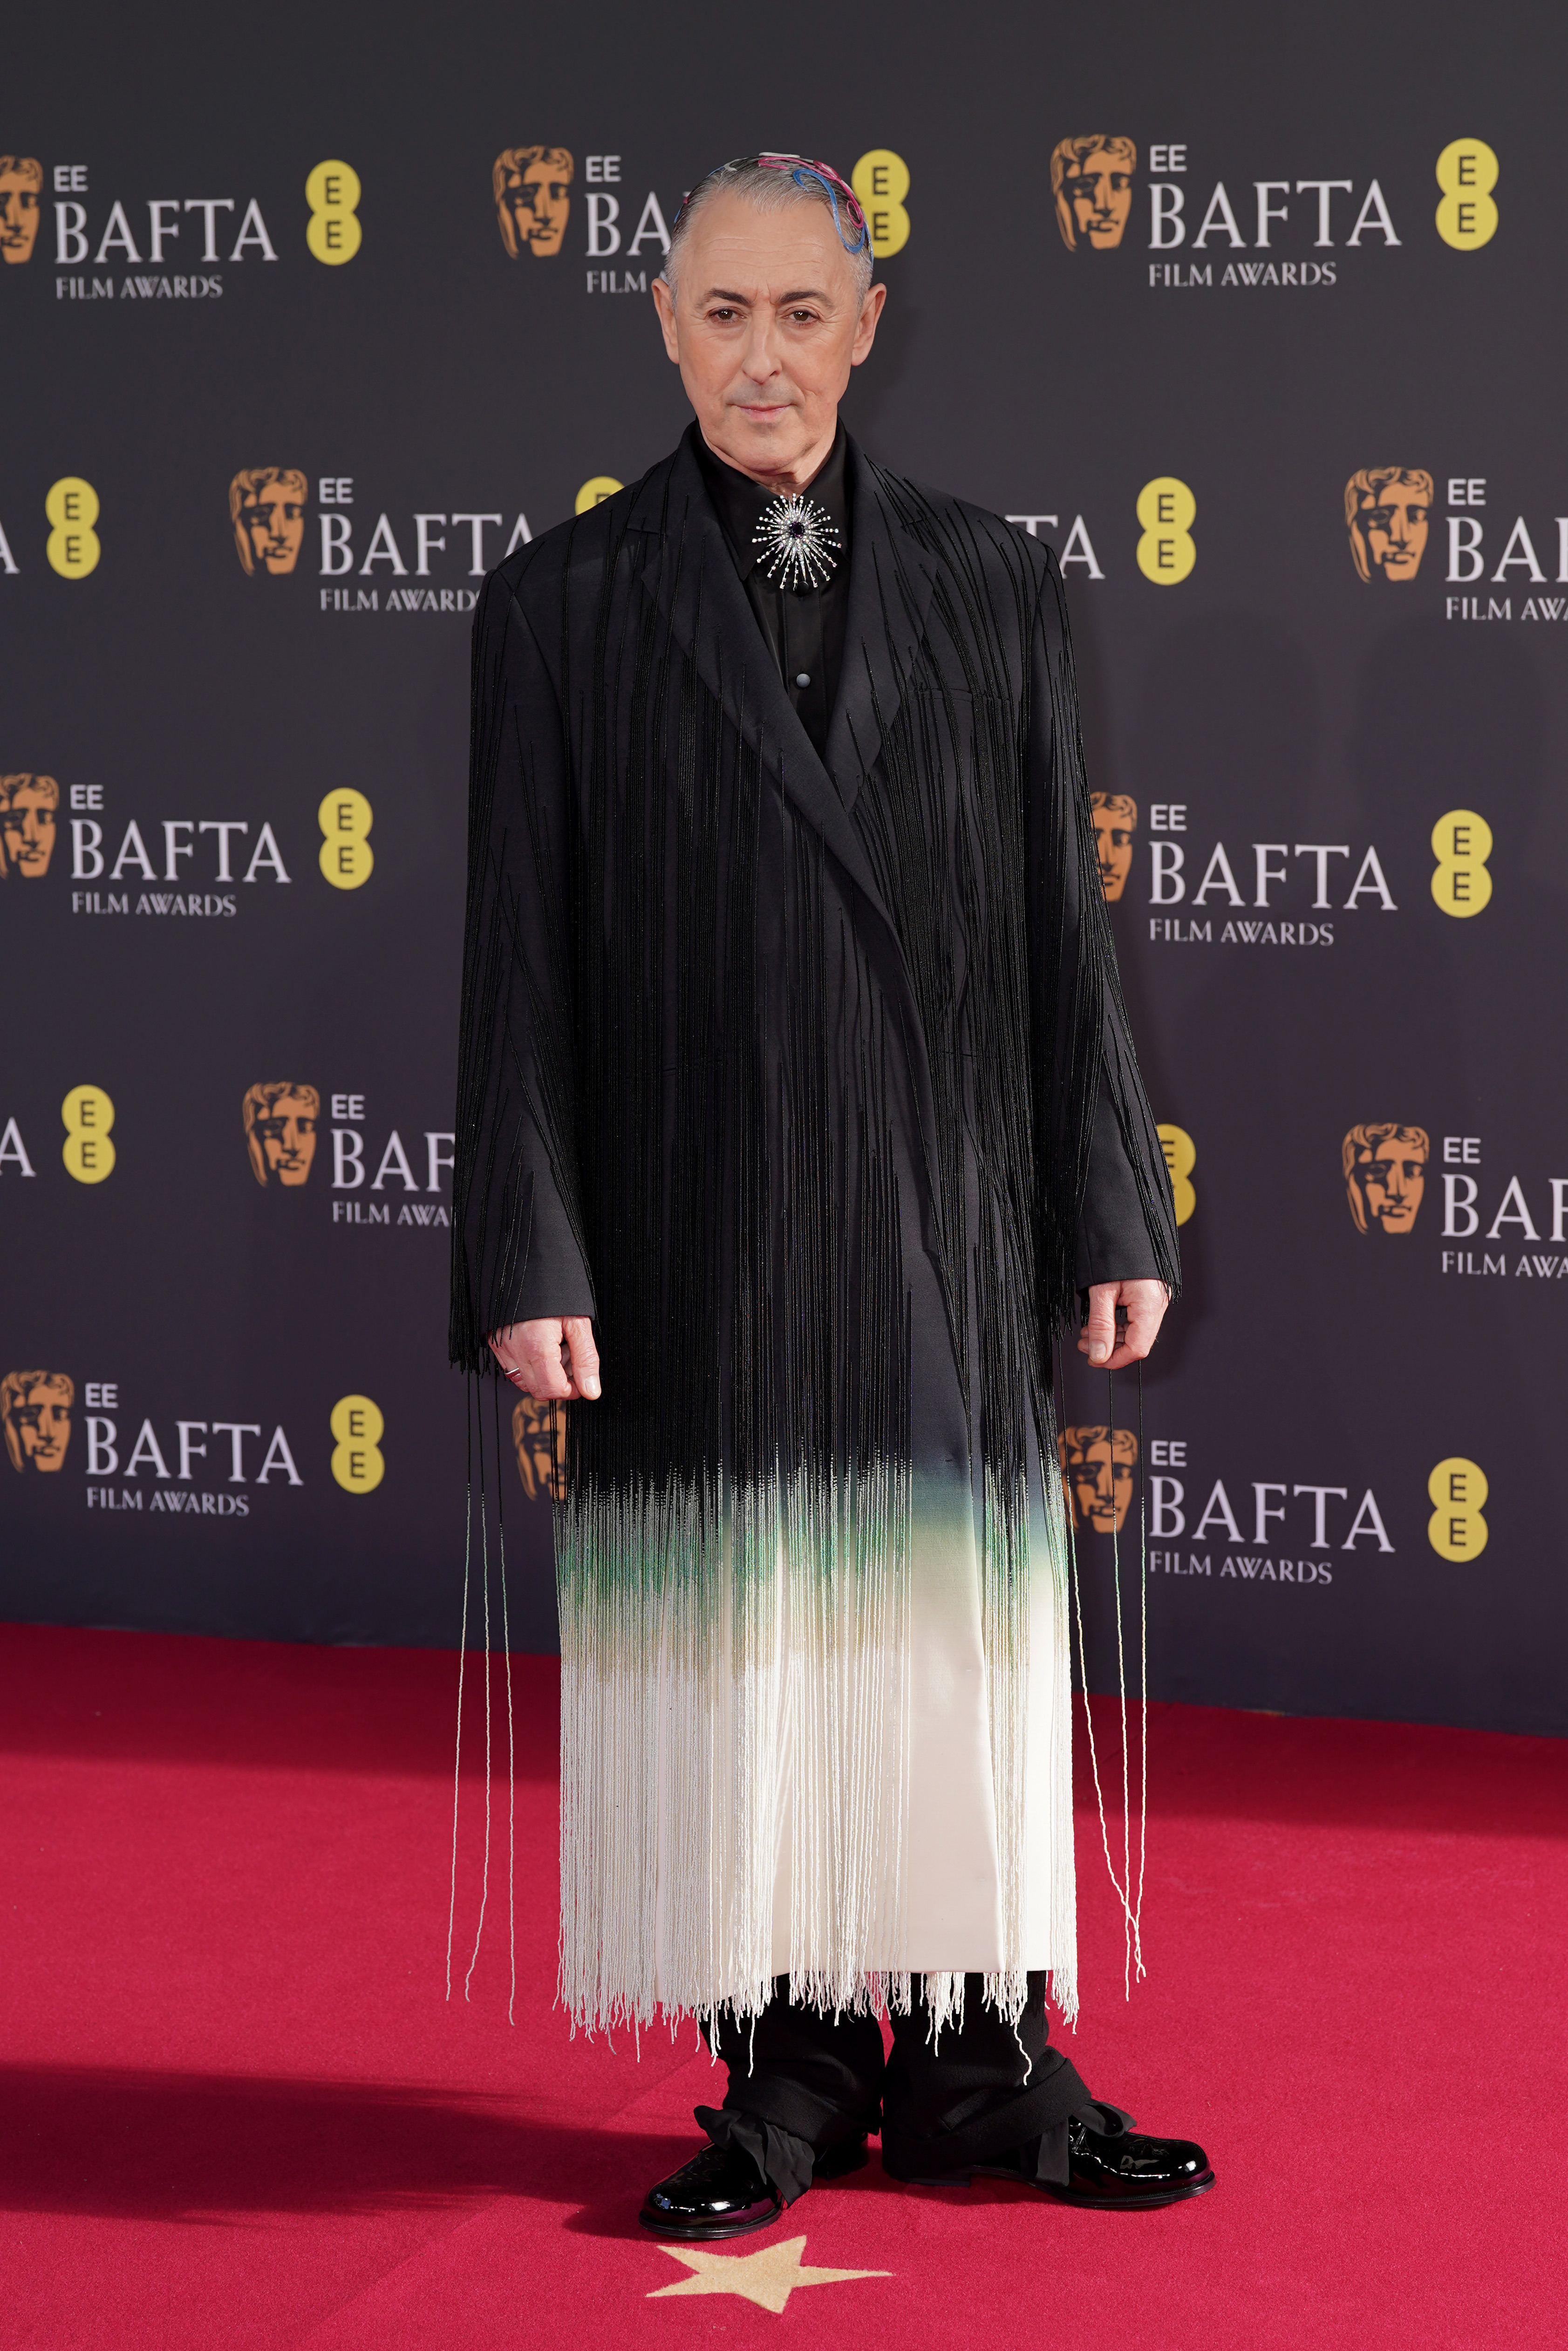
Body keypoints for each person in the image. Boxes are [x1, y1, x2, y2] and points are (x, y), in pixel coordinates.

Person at [451, 150, 1209, 2242]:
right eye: (720, 312)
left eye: (801, 312)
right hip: (690, 1222)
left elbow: (1063, 922)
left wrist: (1105, 1202)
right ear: (661, 325)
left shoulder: (990, 583)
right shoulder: (563, 603)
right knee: (742, 1652)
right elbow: (515, 962)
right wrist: (529, 1242)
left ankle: (979, 2068)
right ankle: (781, 2071)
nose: (760, 354)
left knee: (944, 1649)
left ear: (866, 324)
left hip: (938, 1206)